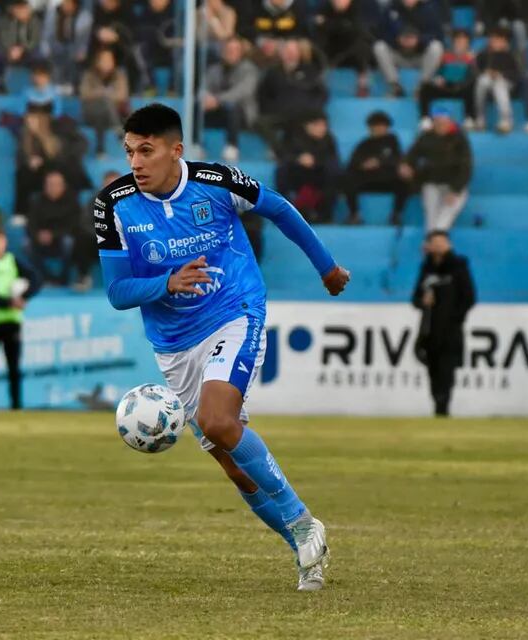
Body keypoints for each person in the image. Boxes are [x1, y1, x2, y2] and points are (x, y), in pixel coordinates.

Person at [94, 104, 349, 592]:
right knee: (232, 464)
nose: (136, 163)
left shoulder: (218, 181)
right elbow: (117, 292)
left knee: (218, 421)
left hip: (234, 312)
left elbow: (279, 209)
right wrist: (166, 283)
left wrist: (327, 267)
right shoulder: (112, 205)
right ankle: (305, 552)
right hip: (172, 346)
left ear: (176, 151)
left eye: (146, 151)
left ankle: (301, 520)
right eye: (129, 152)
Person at [0, 227, 43, 410]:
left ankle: (16, 406)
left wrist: (24, 296)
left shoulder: (13, 261)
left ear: (5, 242)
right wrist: (10, 303)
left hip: (12, 322)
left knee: (14, 368)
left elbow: (36, 279)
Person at [412, 230, 475, 417]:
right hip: (429, 330)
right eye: (435, 242)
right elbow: (414, 298)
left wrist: (454, 318)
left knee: (446, 372)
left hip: (450, 331)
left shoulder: (459, 267)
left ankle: (443, 407)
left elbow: (469, 298)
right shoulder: (426, 269)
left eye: (442, 242)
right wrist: (423, 301)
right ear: (429, 246)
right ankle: (438, 407)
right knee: (433, 371)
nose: (439, 245)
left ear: (449, 245)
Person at [400, 105, 472, 231]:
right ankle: (434, 240)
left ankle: (436, 238)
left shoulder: (460, 139)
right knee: (431, 218)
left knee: (445, 217)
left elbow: (466, 166)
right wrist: (406, 165)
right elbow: (412, 153)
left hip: (453, 183)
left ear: (450, 122)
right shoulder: (426, 137)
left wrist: (456, 189)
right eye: (437, 122)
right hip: (432, 182)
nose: (441, 126)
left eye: (444, 122)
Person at [344, 110, 409, 225]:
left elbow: (397, 159)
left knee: (403, 181)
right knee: (348, 180)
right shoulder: (364, 144)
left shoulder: (392, 141)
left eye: (382, 126)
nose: (379, 129)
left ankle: (396, 214)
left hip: (388, 179)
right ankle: (354, 214)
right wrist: (364, 164)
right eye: (376, 126)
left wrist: (379, 162)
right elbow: (353, 162)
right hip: (367, 179)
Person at [202, 36, 259, 163]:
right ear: (223, 51)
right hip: (218, 111)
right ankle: (196, 144)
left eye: (235, 49)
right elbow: (203, 88)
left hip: (241, 114)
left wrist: (217, 99)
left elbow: (243, 91)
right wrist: (206, 98)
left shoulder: (249, 69)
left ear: (241, 52)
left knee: (233, 106)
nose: (231, 52)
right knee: (197, 106)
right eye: (229, 49)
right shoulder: (214, 69)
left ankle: (232, 146)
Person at [372, 0, 444, 97]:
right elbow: (380, 33)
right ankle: (395, 86)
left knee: (436, 47)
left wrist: (419, 40)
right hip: (398, 55)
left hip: (420, 56)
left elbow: (438, 35)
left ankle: (422, 87)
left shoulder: (428, 10)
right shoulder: (391, 9)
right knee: (379, 46)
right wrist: (397, 39)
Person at [417, 29, 476, 129]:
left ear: (468, 43)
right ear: (453, 42)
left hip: (461, 89)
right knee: (425, 87)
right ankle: (425, 118)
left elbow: (473, 77)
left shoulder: (472, 58)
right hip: (445, 87)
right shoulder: (445, 56)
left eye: (463, 41)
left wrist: (461, 84)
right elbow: (438, 73)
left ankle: (469, 118)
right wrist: (439, 79)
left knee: (472, 88)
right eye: (458, 41)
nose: (460, 44)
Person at [474, 26, 521, 133]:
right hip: (488, 82)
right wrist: (486, 72)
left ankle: (505, 120)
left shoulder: (512, 55)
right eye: (493, 39)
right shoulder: (483, 54)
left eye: (498, 39)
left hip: (507, 82)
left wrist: (500, 75)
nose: (495, 42)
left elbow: (517, 74)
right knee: (482, 81)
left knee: (499, 84)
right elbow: (477, 71)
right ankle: (480, 117)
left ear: (505, 41)